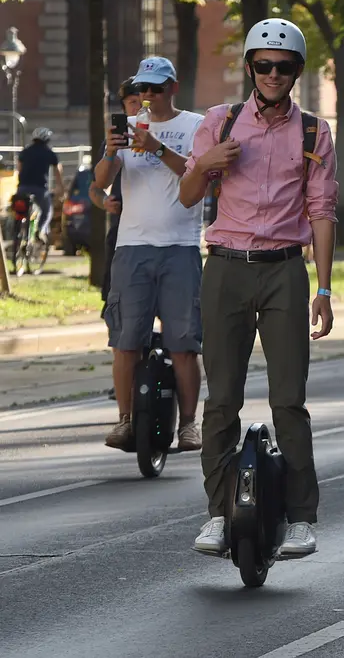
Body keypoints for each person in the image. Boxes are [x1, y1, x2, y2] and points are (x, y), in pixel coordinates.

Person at [179, 17, 338, 557]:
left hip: (285, 271)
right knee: (221, 399)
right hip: (224, 268)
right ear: (250, 68)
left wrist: (325, 289)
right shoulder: (219, 124)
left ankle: (299, 518)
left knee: (288, 398)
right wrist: (205, 164)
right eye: (264, 65)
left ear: (296, 72)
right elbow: (186, 196)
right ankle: (218, 515)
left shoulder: (315, 132)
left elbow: (321, 211)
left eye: (284, 66)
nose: (273, 74)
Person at [91, 57, 206, 453]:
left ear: (172, 88)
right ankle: (125, 420)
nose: (148, 96)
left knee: (183, 343)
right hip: (132, 247)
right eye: (143, 89)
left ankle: (190, 424)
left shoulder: (194, 125)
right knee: (125, 341)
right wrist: (110, 152)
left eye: (156, 88)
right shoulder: (127, 126)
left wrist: (156, 148)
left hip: (180, 246)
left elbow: (198, 174)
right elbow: (101, 182)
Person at [96, 77, 144, 312]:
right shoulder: (115, 138)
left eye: (142, 102)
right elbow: (95, 186)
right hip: (122, 231)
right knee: (116, 304)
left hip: (163, 236)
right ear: (123, 105)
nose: (138, 108)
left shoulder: (167, 132)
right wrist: (105, 201)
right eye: (132, 102)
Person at [14, 127, 65, 243]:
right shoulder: (49, 153)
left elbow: (19, 168)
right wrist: (60, 188)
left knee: (20, 211)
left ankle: (17, 230)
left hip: (22, 188)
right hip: (40, 189)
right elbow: (58, 172)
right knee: (47, 211)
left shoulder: (25, 152)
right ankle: (40, 231)